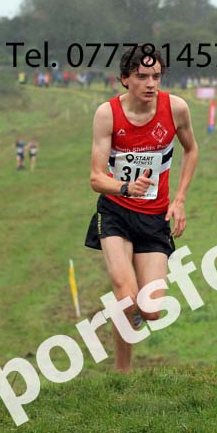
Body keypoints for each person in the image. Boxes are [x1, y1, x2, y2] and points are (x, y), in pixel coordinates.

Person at [85, 47, 199, 373]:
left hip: (154, 216)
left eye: (156, 77)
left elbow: (191, 150)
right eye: (142, 77)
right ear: (125, 79)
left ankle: (127, 307)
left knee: (149, 310)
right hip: (116, 211)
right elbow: (95, 177)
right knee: (125, 294)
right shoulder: (107, 114)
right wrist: (124, 187)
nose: (151, 84)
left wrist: (179, 200)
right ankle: (123, 373)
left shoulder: (176, 109)